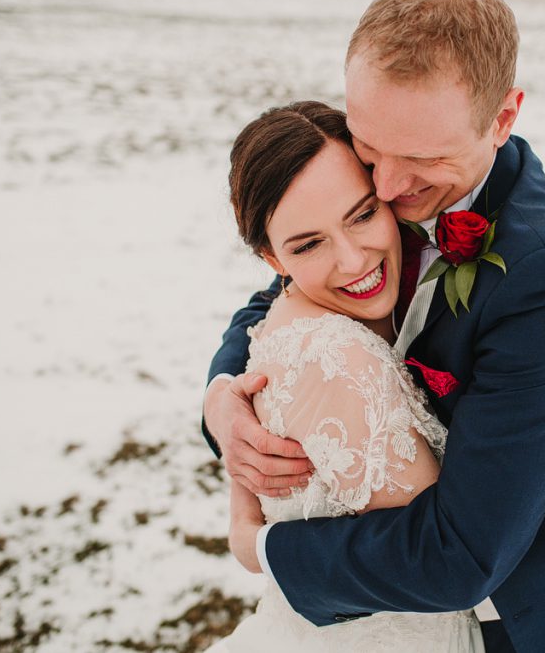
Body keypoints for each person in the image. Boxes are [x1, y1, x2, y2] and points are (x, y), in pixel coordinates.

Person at [204, 0, 545, 652]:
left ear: (503, 118)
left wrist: (263, 545)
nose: (387, 188)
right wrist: (224, 395)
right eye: (370, 150)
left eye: (422, 160)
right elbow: (284, 290)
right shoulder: (377, 198)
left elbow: (461, 554)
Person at [206, 101, 484, 652]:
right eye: (309, 244)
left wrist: (250, 535)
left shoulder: (300, 316)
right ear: (273, 259)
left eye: (361, 215)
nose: (354, 261)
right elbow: (435, 561)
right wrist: (253, 544)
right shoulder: (337, 358)